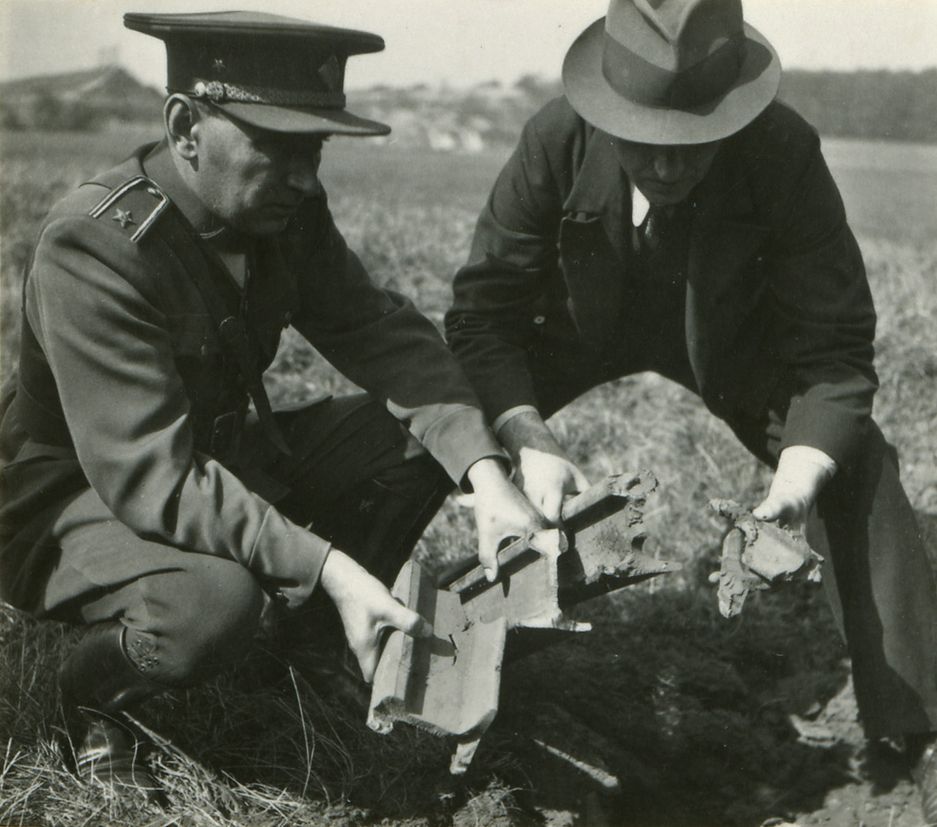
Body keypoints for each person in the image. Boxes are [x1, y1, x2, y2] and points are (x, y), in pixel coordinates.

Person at [0, 11, 542, 800]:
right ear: (185, 126)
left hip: (209, 456)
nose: (304, 177)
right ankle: (96, 699)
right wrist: (328, 564)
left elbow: (377, 332)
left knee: (422, 437)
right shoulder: (96, 248)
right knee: (209, 606)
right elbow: (156, 476)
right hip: (70, 491)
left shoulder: (280, 212)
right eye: (276, 145)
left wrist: (486, 474)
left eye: (313, 149)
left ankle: (319, 638)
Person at [445, 0, 937, 819]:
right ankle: (357, 638)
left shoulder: (782, 152)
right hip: (570, 331)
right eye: (644, 143)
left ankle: (911, 723)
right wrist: (522, 440)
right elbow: (480, 318)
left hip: (734, 344)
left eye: (691, 146)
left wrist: (795, 484)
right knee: (422, 425)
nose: (667, 169)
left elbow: (835, 352)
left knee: (859, 468)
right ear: (605, 113)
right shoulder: (553, 137)